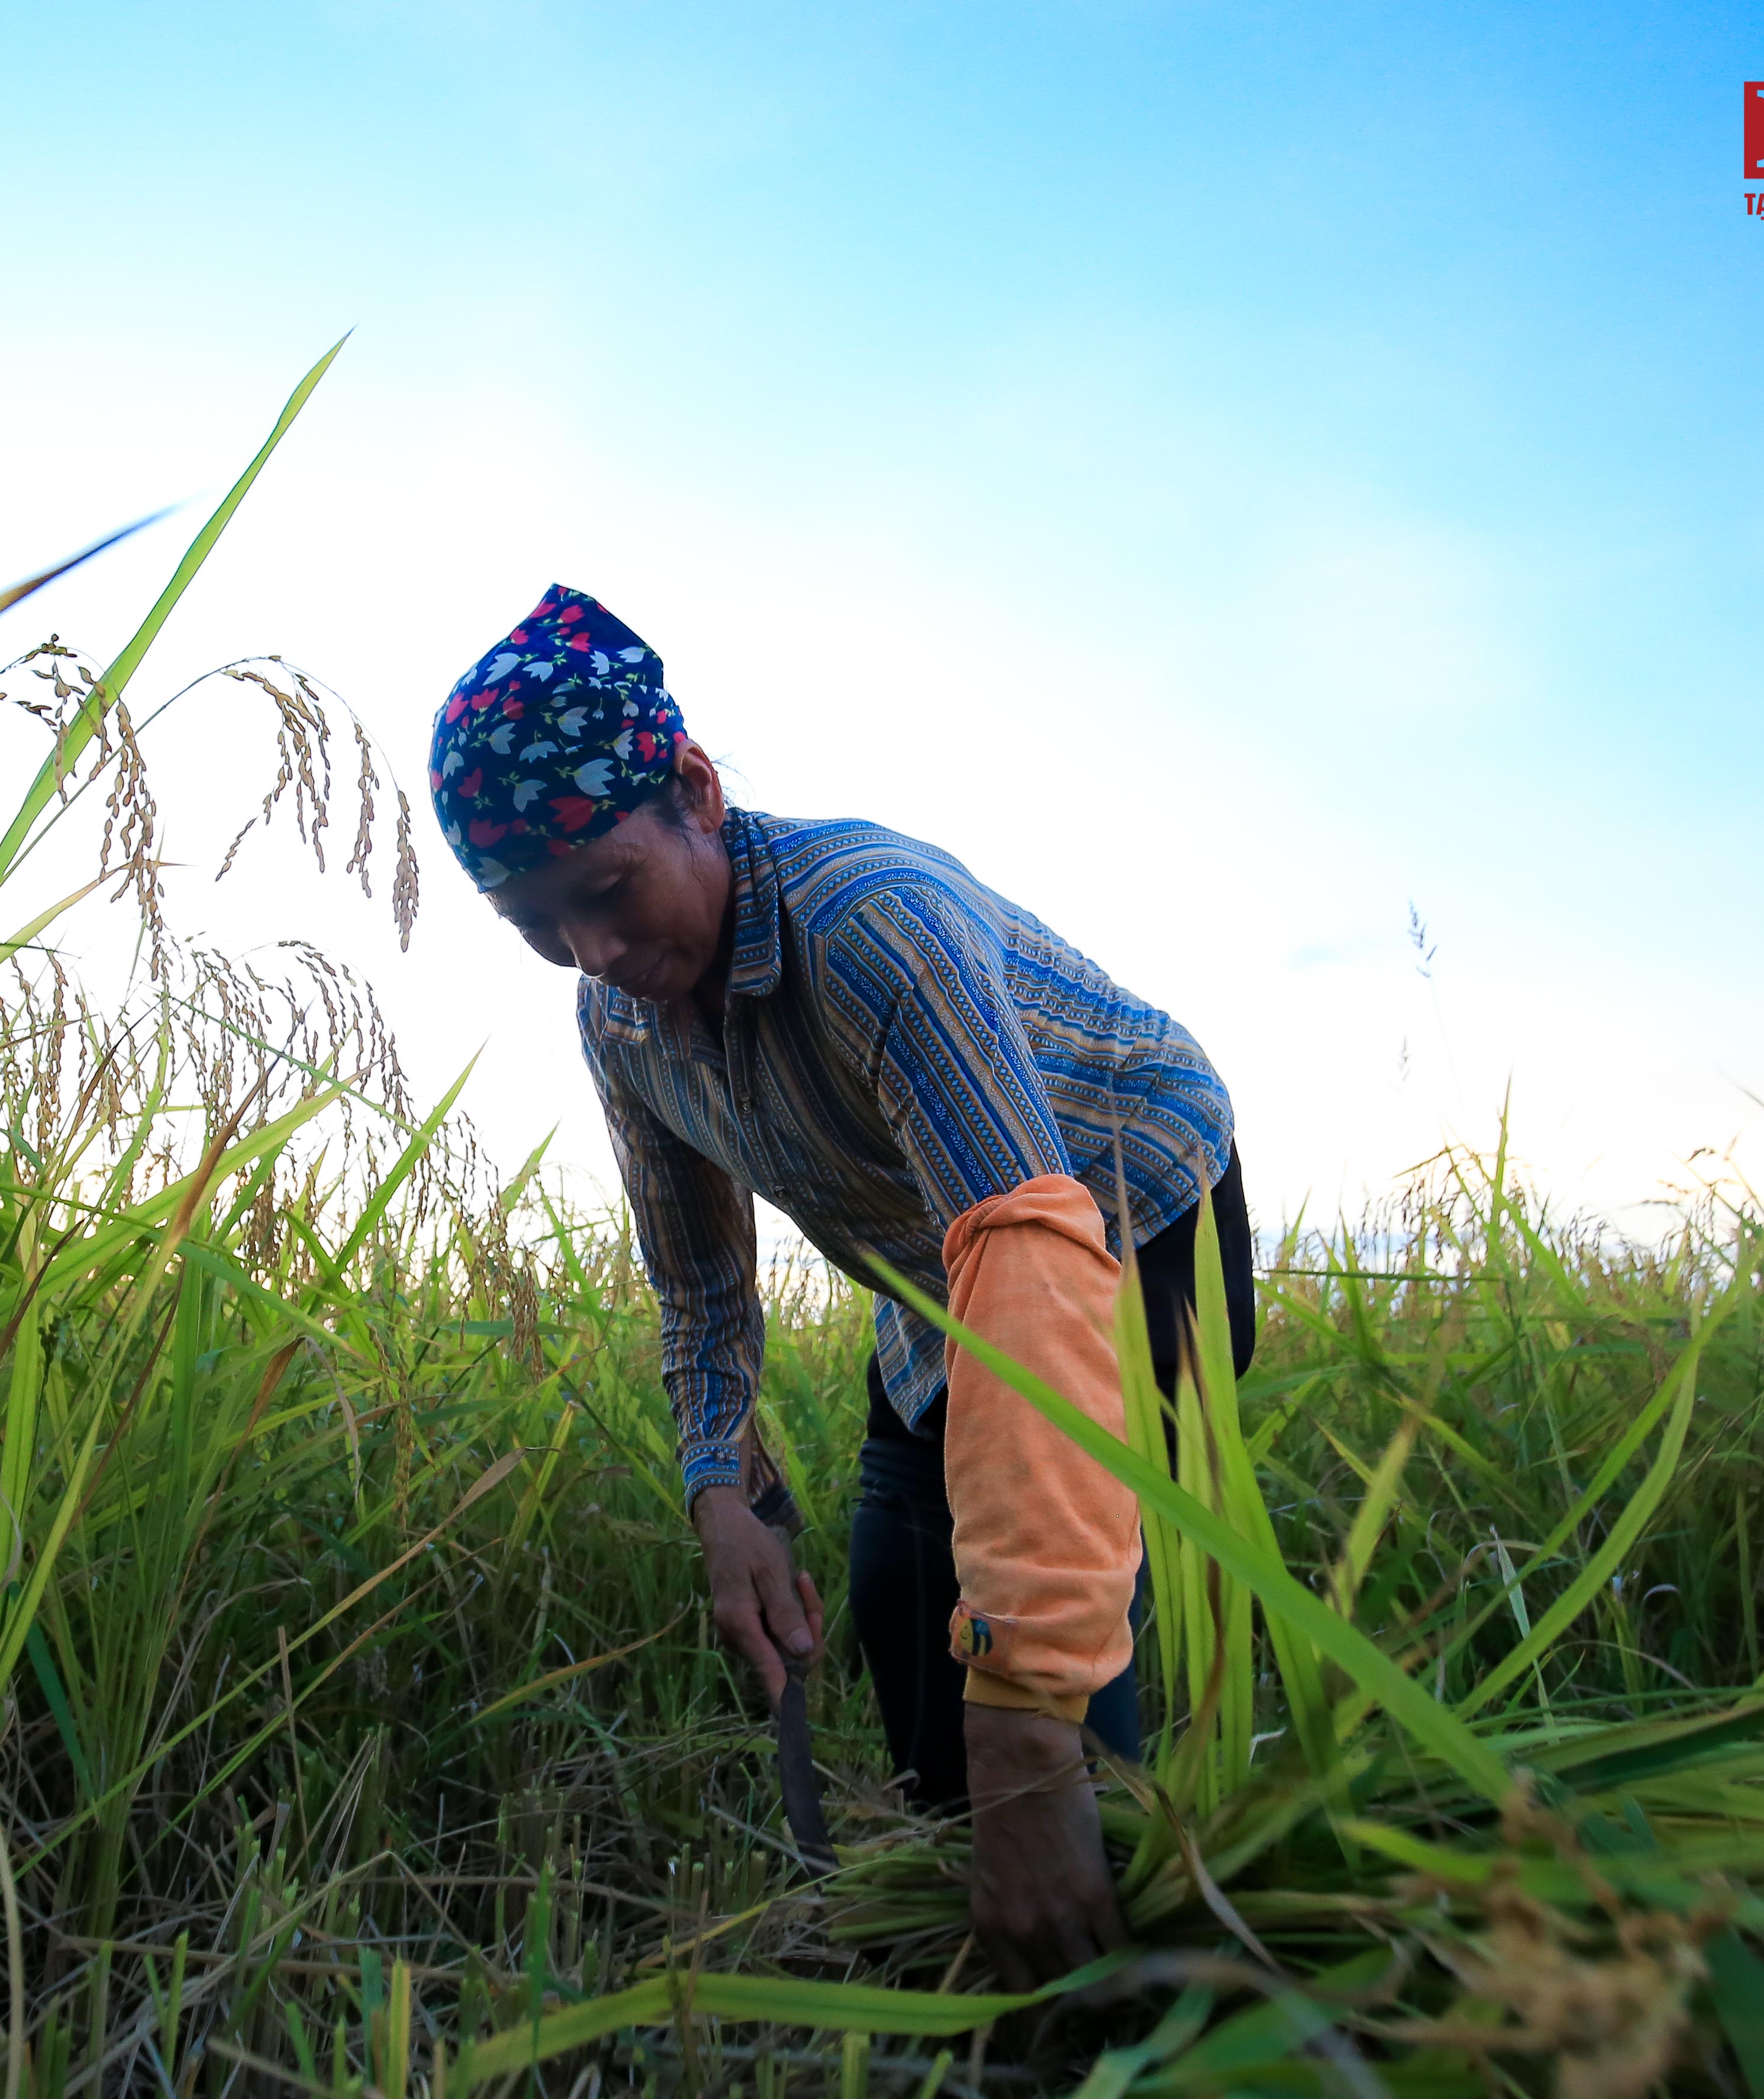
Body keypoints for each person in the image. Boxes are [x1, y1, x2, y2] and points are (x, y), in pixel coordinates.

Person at [429, 584, 1254, 1986]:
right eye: (538, 925)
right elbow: (699, 1286)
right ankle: (982, 1902)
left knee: (1065, 1611)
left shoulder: (877, 924)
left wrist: (1024, 1736)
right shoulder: (619, 1016)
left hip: (1121, 1213)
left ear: (695, 790)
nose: (593, 953)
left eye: (608, 891)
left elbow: (1027, 1256)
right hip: (933, 1262)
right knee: (900, 1589)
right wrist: (719, 1487)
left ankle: (1116, 1953)